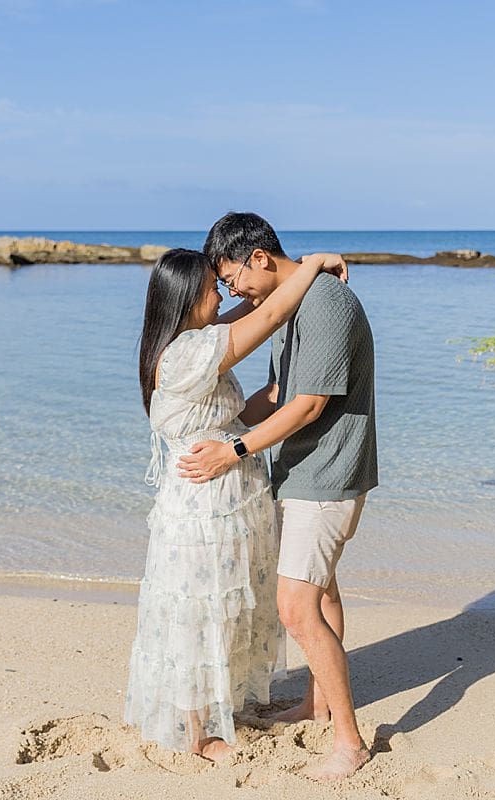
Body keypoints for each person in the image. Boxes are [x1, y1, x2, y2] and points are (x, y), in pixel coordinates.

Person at [125, 247, 348, 762]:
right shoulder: (186, 353)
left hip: (230, 501)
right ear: (185, 298)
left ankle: (219, 711)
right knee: (200, 612)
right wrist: (311, 265)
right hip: (205, 508)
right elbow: (268, 315)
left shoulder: (191, 339)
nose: (221, 292)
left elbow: (252, 310)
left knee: (227, 609)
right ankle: (197, 734)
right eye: (210, 284)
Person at [178, 213, 378, 781]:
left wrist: (234, 450)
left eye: (231, 279)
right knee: (323, 592)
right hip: (302, 469)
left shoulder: (325, 305)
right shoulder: (296, 303)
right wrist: (218, 427)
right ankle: (319, 702)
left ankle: (348, 743)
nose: (230, 292)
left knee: (295, 607)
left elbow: (309, 405)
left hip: (328, 474)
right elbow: (277, 393)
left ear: (259, 258)